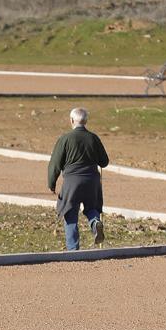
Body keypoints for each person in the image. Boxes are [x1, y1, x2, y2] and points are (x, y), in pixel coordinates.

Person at [47, 107, 110, 251]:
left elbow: (55, 164)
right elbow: (104, 162)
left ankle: (73, 249)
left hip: (72, 182)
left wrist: (51, 183)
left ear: (71, 121)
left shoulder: (65, 139)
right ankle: (95, 223)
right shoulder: (93, 138)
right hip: (92, 181)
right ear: (86, 121)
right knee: (92, 208)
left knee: (70, 212)